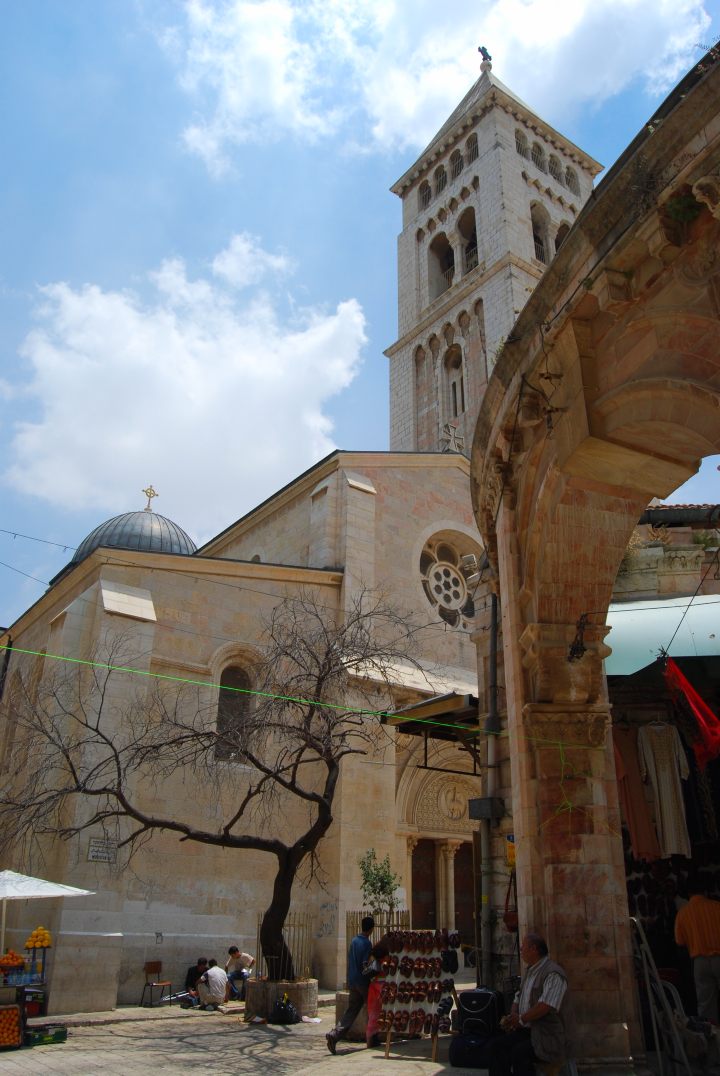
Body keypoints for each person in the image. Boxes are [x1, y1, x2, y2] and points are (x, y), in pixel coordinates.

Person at [488, 933, 574, 1076]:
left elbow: (546, 1005)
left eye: (523, 947)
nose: (521, 950)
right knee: (497, 1047)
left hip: (547, 1035)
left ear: (534, 949)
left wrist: (522, 1019)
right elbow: (519, 995)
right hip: (528, 1032)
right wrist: (513, 1014)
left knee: (519, 1054)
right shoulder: (530, 971)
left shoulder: (553, 974)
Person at [326, 915, 374, 1054]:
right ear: (371, 929)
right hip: (362, 982)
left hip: (352, 980)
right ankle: (372, 1037)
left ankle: (335, 1034)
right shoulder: (367, 943)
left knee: (351, 1010)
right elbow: (364, 965)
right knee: (372, 1009)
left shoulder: (354, 940)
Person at [674, 879, 720, 1023]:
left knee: (706, 1004)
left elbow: (679, 941)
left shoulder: (683, 913)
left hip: (699, 962)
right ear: (705, 891)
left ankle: (712, 1038)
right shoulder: (717, 907)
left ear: (688, 893)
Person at [365, 942, 389, 1049]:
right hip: (380, 990)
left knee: (373, 1016)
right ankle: (371, 1040)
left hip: (373, 989)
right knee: (376, 1016)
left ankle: (372, 1039)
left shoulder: (375, 963)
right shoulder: (384, 963)